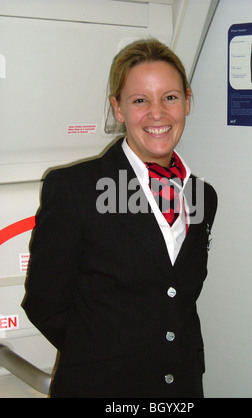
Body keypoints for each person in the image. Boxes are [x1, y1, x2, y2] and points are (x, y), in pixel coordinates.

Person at [22, 39, 217, 398]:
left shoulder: (202, 197)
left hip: (181, 388)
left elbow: (177, 296)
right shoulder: (76, 190)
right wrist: (102, 356)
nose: (157, 113)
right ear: (119, 109)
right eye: (140, 100)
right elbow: (44, 303)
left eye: (170, 97)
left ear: (187, 101)